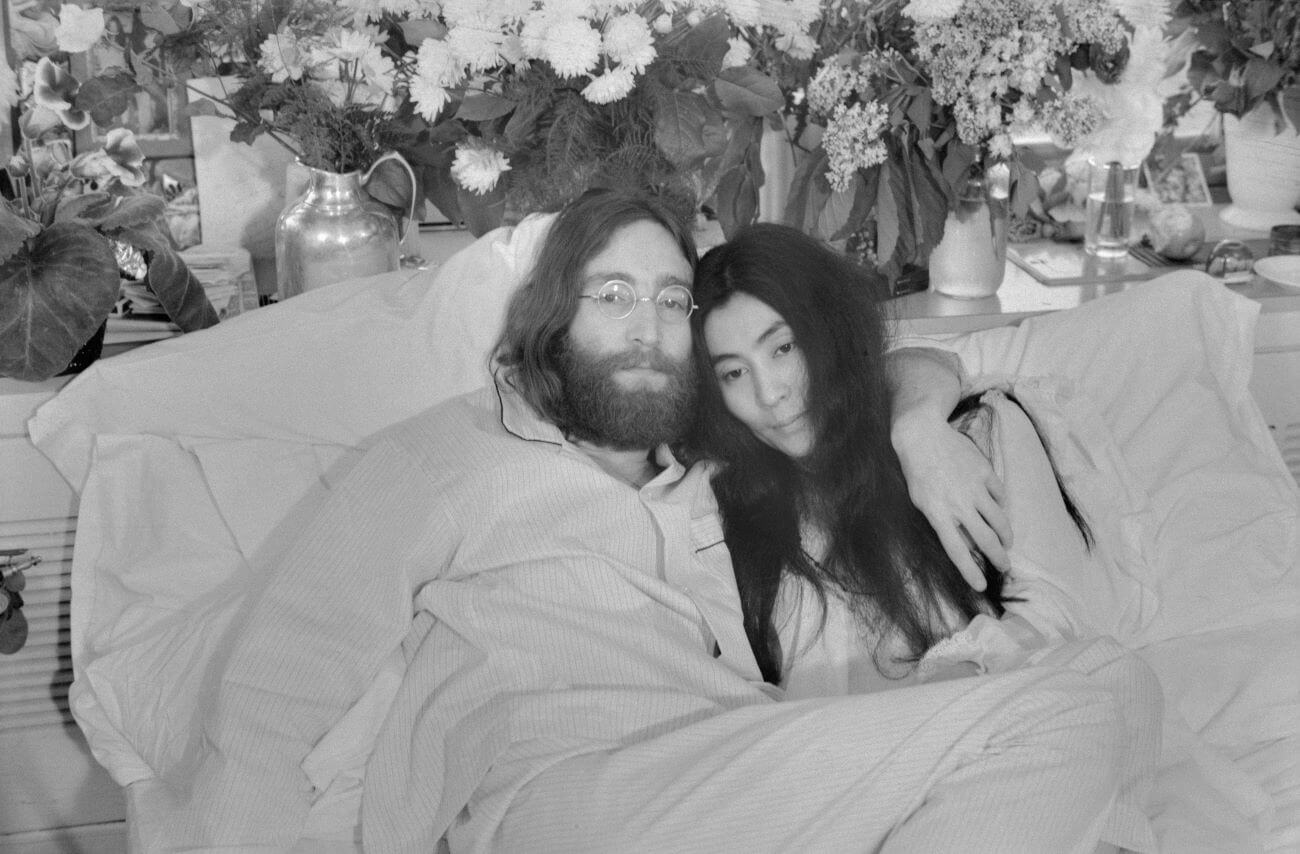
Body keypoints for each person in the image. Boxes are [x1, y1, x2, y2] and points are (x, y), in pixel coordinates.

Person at [160, 190, 1136, 852]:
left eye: (670, 301)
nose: (644, 325)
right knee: (1073, 702)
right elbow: (278, 686)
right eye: (612, 295)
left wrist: (921, 411)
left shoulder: (706, 465)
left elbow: (851, 366)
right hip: (565, 784)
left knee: (1092, 691)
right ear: (552, 318)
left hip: (730, 769)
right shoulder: (441, 459)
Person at [688, 222, 1160, 848]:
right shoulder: (725, 509)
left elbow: (1060, 613)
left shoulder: (969, 435)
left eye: (782, 348)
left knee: (1116, 675)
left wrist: (914, 426)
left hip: (998, 735)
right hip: (855, 783)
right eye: (733, 374)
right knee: (1102, 699)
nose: (770, 394)